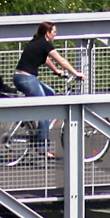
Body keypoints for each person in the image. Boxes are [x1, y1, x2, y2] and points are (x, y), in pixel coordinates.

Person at [13, 21, 85, 158]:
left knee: (51, 94)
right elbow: (61, 60)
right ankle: (42, 147)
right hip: (26, 78)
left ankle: (34, 125)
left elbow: (46, 59)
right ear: (47, 33)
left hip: (23, 77)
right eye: (54, 32)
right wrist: (76, 73)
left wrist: (56, 70)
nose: (55, 35)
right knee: (45, 110)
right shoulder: (45, 43)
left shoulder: (37, 42)